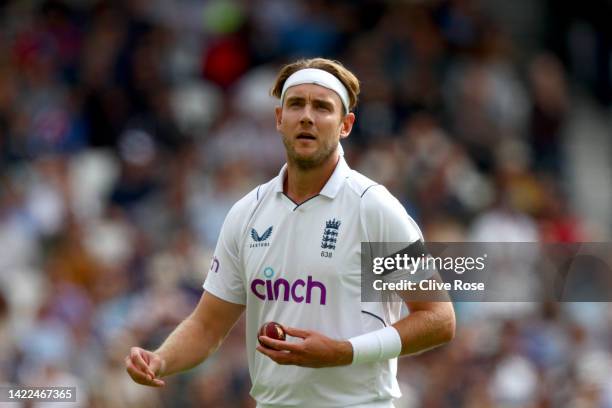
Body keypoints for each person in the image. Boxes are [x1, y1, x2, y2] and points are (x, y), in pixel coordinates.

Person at [125, 58, 455, 407]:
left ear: (345, 125)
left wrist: (343, 352)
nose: (307, 116)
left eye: (322, 107)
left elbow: (438, 318)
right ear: (280, 119)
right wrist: (161, 358)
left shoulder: (374, 209)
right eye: (296, 104)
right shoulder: (247, 213)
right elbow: (207, 326)